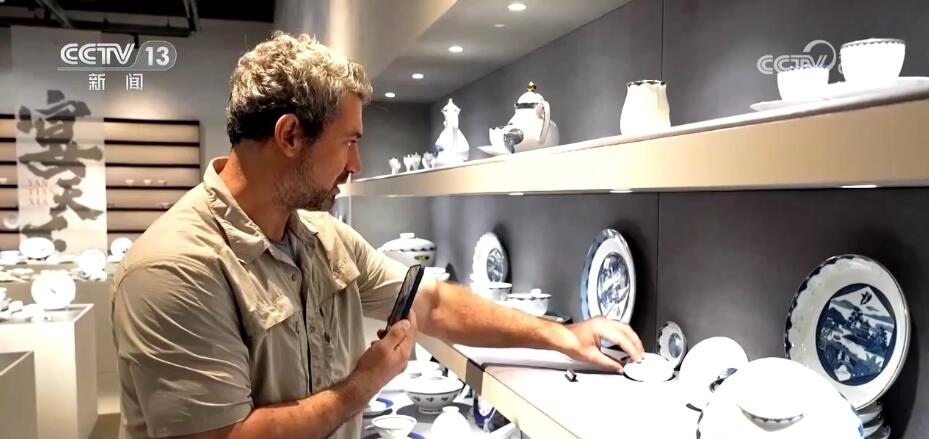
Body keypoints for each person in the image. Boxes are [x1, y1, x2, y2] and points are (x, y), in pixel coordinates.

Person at [111, 31, 644, 439]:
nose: (357, 165)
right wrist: (366, 381)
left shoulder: (321, 236)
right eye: (349, 142)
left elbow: (432, 302)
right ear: (290, 135)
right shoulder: (176, 268)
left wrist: (563, 336)